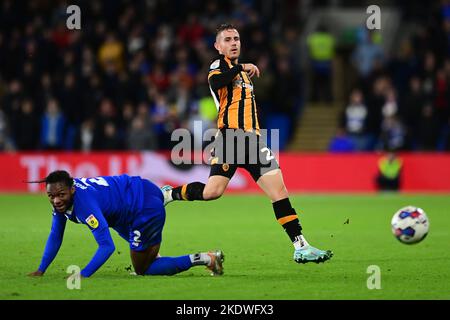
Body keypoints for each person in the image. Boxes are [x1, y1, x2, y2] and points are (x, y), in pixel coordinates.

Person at [161, 24, 333, 264]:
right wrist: (242, 66)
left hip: (254, 140)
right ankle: (171, 193)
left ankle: (300, 246)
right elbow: (216, 83)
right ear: (218, 46)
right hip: (230, 138)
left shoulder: (244, 75)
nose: (233, 43)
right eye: (228, 39)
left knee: (280, 192)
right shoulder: (219, 65)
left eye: (236, 39)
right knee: (212, 193)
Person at [28, 170, 224, 278]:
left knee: (143, 269)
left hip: (143, 211)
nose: (56, 201)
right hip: (138, 195)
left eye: (60, 195)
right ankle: (165, 195)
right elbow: (56, 234)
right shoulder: (65, 197)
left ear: (72, 190)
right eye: (51, 196)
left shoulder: (85, 206)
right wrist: (41, 269)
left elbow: (107, 247)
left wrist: (83, 274)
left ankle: (207, 259)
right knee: (142, 250)